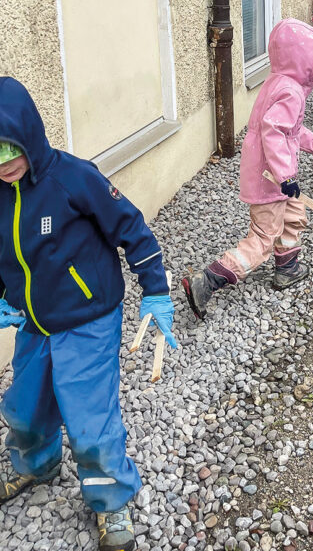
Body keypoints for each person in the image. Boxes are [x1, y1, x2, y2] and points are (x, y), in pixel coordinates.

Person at [0, 77, 176, 551]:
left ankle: (109, 501)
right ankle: (36, 466)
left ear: (28, 135)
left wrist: (155, 292)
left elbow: (132, 228)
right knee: (24, 407)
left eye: (7, 149)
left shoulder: (74, 178)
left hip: (88, 319)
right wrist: (4, 295)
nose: (2, 164)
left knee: (89, 420)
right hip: (36, 322)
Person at [182, 19, 313, 318]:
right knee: (263, 238)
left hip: (273, 175)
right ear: (302, 59)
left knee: (294, 215)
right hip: (271, 179)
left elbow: (291, 129)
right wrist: (285, 176)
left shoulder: (278, 82)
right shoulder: (290, 91)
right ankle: (207, 281)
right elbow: (274, 131)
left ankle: (287, 268)